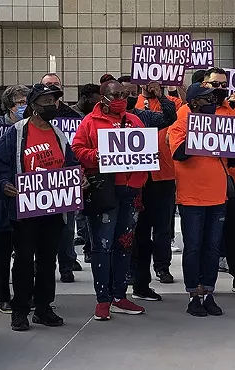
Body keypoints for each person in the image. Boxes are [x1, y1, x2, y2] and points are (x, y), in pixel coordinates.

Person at [0, 84, 78, 331]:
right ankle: (20, 309)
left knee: (47, 259)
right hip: (25, 207)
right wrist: (5, 184)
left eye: (54, 100)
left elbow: (70, 163)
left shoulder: (59, 134)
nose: (52, 104)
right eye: (46, 100)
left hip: (53, 208)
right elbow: (2, 166)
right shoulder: (16, 133)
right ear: (33, 105)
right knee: (23, 260)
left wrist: (78, 178)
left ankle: (43, 308)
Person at [72, 80, 147, 321]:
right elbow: (77, 151)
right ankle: (102, 299)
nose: (122, 99)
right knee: (102, 246)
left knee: (124, 244)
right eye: (116, 95)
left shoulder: (135, 121)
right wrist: (99, 156)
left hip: (131, 190)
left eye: (125, 95)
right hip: (105, 191)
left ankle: (120, 295)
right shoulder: (89, 122)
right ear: (103, 97)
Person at [168, 83, 235, 316]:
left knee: (212, 248)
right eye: (208, 98)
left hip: (218, 195)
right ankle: (193, 295)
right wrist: (201, 134)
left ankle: (208, 293)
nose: (213, 102)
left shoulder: (221, 123)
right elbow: (178, 153)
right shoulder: (181, 123)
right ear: (195, 102)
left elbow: (232, 160)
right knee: (193, 248)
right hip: (191, 198)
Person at [117, 76, 177, 300]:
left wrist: (161, 96)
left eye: (133, 93)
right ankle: (125, 280)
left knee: (158, 228)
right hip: (125, 184)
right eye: (123, 94)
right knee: (133, 233)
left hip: (155, 179)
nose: (128, 98)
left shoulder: (143, 116)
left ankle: (149, 277)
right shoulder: (102, 119)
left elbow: (170, 117)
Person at [200, 67, 235, 296]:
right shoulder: (195, 111)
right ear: (205, 85)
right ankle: (205, 280)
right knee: (207, 234)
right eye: (215, 84)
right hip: (205, 181)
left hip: (234, 181)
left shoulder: (233, 110)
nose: (220, 88)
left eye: (224, 84)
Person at [0, 84, 30, 314]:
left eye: (26, 102)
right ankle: (3, 296)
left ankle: (25, 294)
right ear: (9, 105)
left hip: (28, 197)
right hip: (0, 196)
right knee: (2, 249)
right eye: (20, 103)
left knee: (25, 250)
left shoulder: (32, 128)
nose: (24, 107)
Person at [40, 72, 83, 282]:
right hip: (38, 181)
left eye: (55, 85)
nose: (51, 89)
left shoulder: (73, 115)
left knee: (67, 227)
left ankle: (66, 264)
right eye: (47, 86)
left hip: (64, 178)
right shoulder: (33, 116)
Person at [69, 84, 100, 264]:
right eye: (97, 97)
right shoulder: (69, 115)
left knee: (88, 213)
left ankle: (89, 247)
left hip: (89, 169)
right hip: (72, 167)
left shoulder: (93, 117)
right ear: (87, 97)